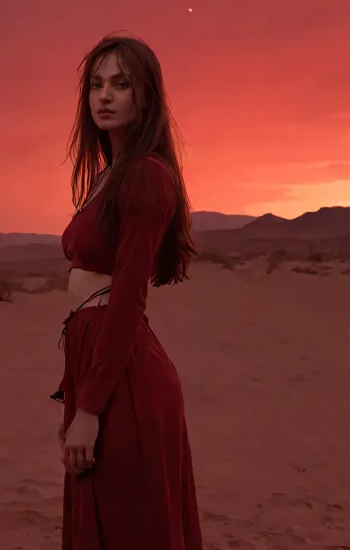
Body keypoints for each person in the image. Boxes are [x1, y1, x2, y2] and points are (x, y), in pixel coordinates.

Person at [50, 33, 203, 549]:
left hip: (128, 382)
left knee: (128, 527)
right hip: (100, 363)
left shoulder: (144, 178)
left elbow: (128, 300)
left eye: (121, 84)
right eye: (95, 84)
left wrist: (89, 411)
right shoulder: (109, 176)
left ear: (146, 97)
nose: (104, 96)